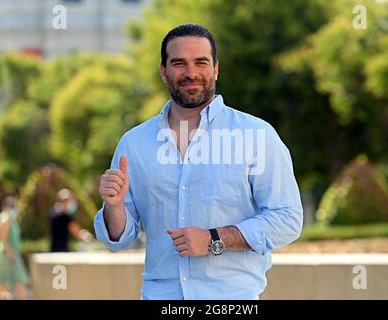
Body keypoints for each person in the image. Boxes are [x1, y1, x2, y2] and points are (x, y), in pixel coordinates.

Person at [94, 24, 303, 300]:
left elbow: (287, 218)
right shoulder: (134, 144)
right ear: (163, 70)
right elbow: (121, 239)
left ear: (215, 68)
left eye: (200, 62)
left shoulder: (257, 136)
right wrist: (114, 206)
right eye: (179, 63)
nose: (191, 73)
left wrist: (214, 239)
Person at [0, 196, 29, 300]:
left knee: (3, 280)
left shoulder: (6, 217)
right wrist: (11, 255)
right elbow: (2, 238)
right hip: (8, 255)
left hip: (6, 254)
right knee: (20, 280)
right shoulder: (5, 218)